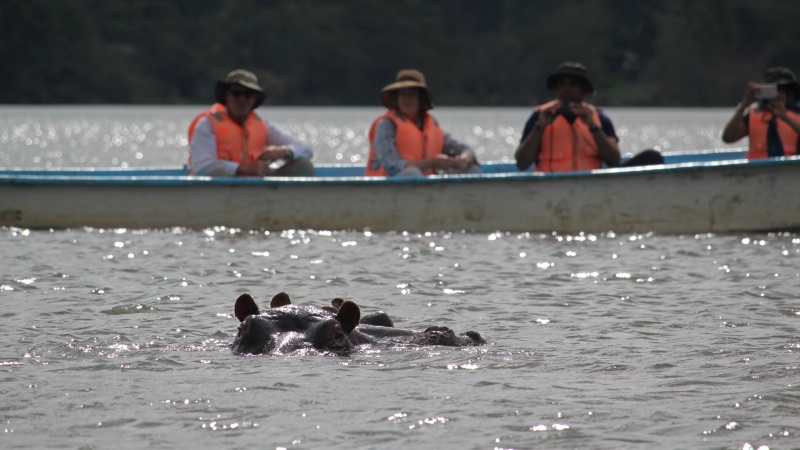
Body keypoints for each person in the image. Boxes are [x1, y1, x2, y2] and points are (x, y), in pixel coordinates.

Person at [515, 62, 663, 172]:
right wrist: (540, 128)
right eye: (561, 84)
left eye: (573, 84)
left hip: (591, 186)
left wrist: (593, 127)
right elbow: (522, 164)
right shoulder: (539, 116)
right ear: (555, 88)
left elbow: (613, 161)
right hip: (550, 186)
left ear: (583, 90)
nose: (566, 89)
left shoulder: (599, 117)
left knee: (652, 157)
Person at [188, 69, 314, 177]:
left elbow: (306, 150)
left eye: (248, 94)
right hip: (223, 191)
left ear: (254, 99)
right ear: (227, 95)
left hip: (259, 188)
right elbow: (202, 165)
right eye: (236, 93)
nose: (242, 99)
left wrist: (282, 152)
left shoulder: (262, 126)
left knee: (303, 165)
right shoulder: (207, 124)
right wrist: (241, 168)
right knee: (217, 172)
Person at [365, 69, 480, 177]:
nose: (407, 99)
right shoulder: (386, 124)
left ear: (421, 98)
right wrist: (432, 162)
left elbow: (464, 150)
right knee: (412, 173)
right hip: (391, 184)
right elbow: (392, 165)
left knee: (472, 170)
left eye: (412, 94)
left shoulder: (429, 124)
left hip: (424, 186)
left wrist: (465, 159)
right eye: (402, 94)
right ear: (396, 98)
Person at [722, 66, 800, 159]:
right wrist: (744, 104)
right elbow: (728, 138)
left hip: (789, 166)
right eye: (772, 89)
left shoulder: (797, 113)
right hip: (756, 167)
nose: (777, 94)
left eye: (783, 89)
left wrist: (784, 117)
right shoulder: (753, 112)